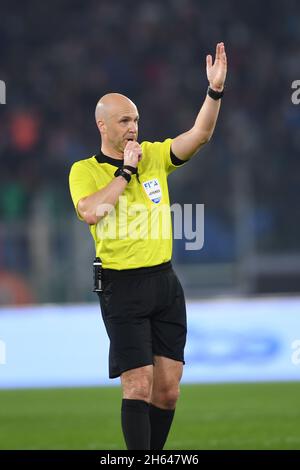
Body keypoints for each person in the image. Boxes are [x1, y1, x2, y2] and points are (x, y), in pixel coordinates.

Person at [69, 42, 227, 450]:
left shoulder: (155, 157)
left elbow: (201, 135)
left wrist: (214, 92)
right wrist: (125, 172)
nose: (133, 127)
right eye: (124, 121)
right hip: (122, 286)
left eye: (136, 119)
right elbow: (92, 212)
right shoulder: (84, 171)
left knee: (168, 389)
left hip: (164, 282)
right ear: (102, 126)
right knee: (137, 384)